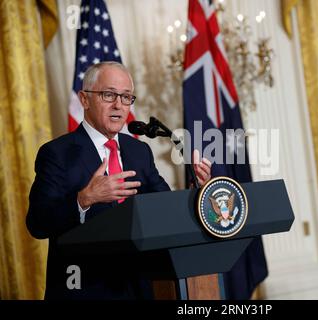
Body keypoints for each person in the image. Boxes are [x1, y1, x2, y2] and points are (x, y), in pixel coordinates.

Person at [26, 61, 212, 299]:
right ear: (84, 99)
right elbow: (37, 223)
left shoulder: (139, 151)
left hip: (142, 287)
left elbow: (165, 208)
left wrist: (196, 188)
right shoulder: (57, 153)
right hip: (85, 289)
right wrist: (84, 199)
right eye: (108, 95)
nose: (119, 105)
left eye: (126, 97)